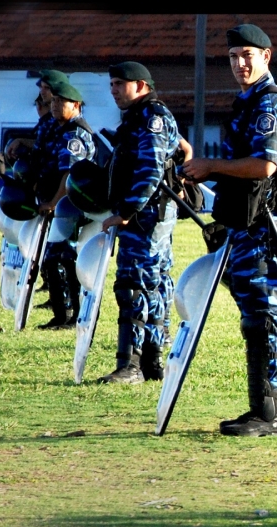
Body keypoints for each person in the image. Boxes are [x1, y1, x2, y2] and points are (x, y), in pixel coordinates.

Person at [181, 23, 277, 437]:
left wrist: (210, 166)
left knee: (264, 316)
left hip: (261, 229)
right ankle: (259, 409)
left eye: (247, 55)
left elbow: (264, 166)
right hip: (242, 226)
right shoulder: (247, 102)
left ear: (266, 57)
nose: (239, 63)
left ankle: (269, 415)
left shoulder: (269, 105)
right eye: (233, 56)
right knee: (252, 317)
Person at [96, 61, 182, 383]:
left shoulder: (152, 117)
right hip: (149, 215)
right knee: (154, 285)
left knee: (134, 286)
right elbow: (180, 150)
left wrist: (126, 212)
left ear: (142, 86)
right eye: (112, 84)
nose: (114, 89)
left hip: (144, 218)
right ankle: (153, 363)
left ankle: (130, 365)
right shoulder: (140, 116)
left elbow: (149, 170)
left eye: (121, 83)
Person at [34, 80, 97, 330]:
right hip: (61, 206)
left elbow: (69, 175)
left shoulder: (75, 134)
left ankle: (74, 315)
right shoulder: (59, 130)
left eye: (62, 102)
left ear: (76, 105)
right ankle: (62, 315)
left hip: (71, 206)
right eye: (54, 101)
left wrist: (52, 202)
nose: (55, 106)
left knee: (68, 259)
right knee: (53, 259)